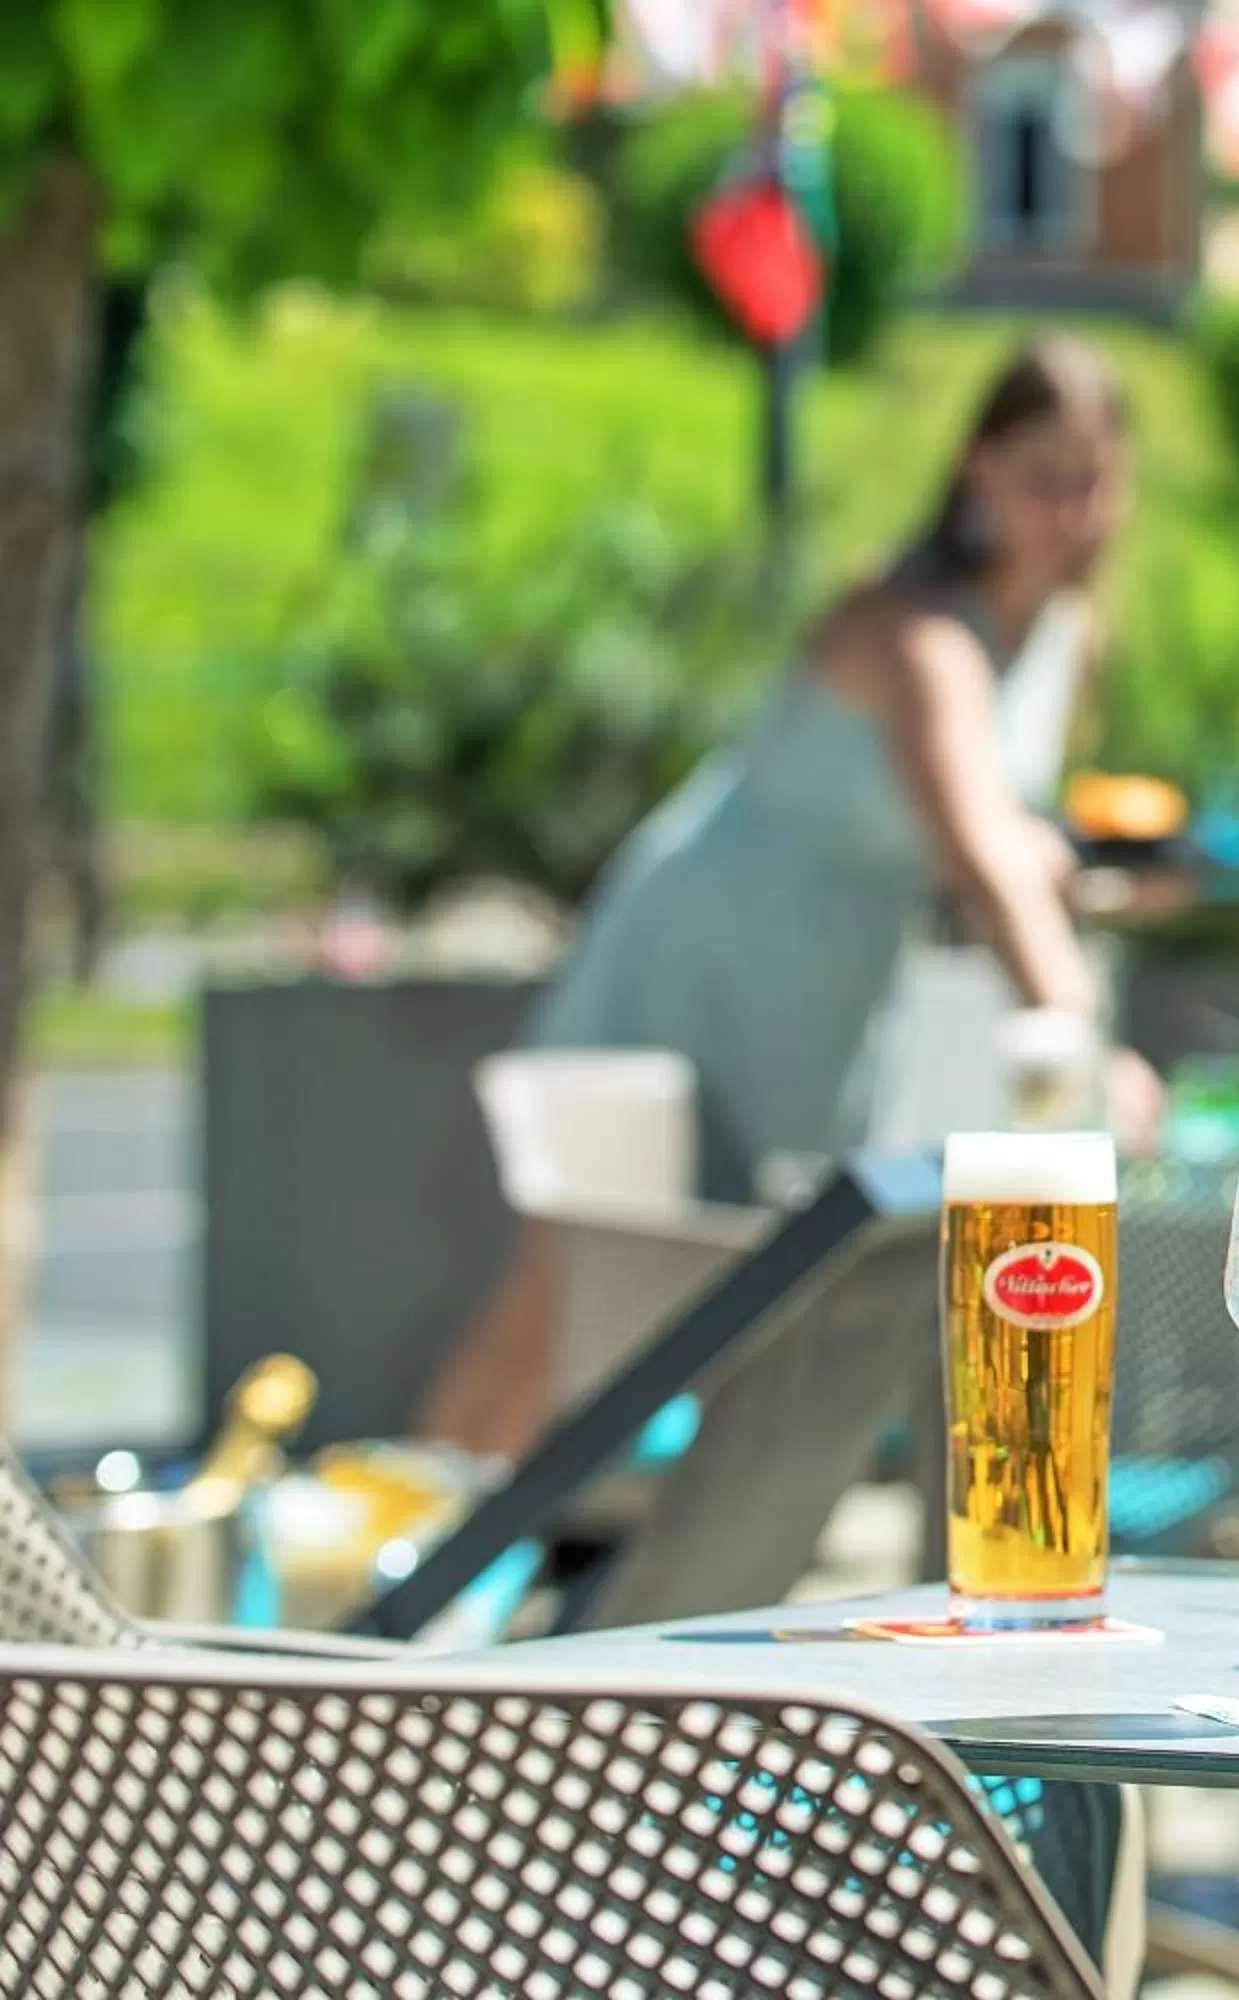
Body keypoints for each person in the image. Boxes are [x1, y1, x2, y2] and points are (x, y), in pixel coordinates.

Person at [419, 335, 1163, 1457]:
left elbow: (1008, 842)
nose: (1074, 511)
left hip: (826, 997)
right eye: (1046, 478)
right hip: (697, 958)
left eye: (1095, 481)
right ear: (978, 467)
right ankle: (420, 1535)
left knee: (755, 1309)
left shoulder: (1062, 634)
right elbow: (978, 854)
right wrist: (1084, 1047)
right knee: (568, 1298)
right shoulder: (912, 629)